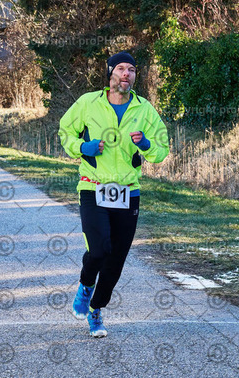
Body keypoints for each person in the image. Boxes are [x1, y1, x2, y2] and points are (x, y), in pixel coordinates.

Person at [59, 51, 169, 338]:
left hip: (128, 192)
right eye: (120, 68)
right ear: (110, 73)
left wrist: (146, 144)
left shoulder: (145, 110)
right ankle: (85, 286)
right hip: (92, 186)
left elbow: (162, 150)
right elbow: (65, 131)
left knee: (116, 259)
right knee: (98, 250)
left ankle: (95, 309)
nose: (126, 74)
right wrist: (82, 148)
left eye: (131, 69)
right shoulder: (88, 103)